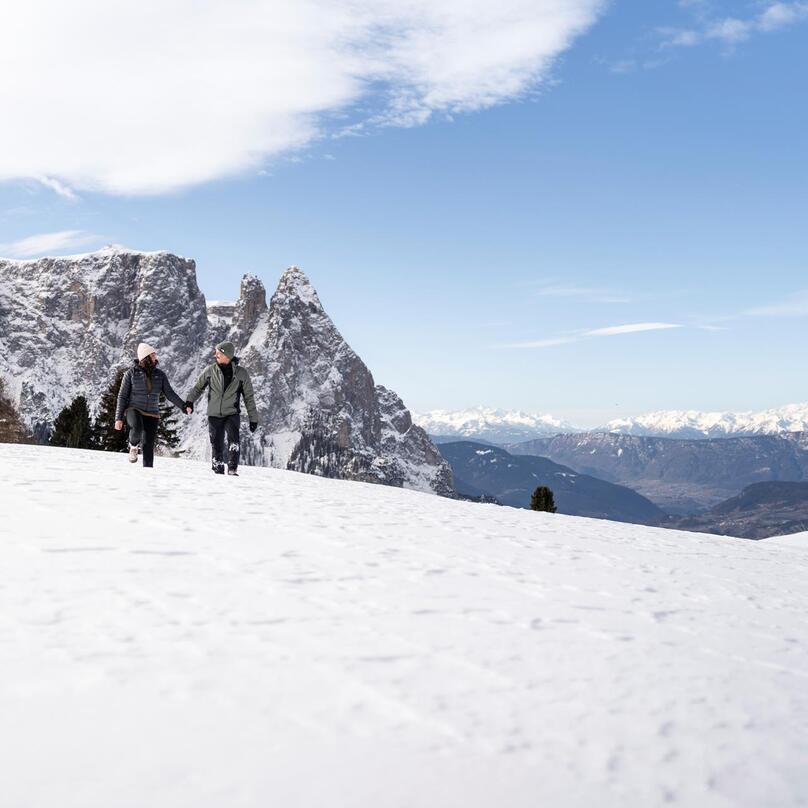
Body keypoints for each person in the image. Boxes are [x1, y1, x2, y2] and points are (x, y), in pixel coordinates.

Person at [185, 340, 259, 476]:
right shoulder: (210, 370)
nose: (215, 355)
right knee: (216, 444)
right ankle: (217, 470)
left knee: (234, 441)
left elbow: (249, 397)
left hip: (232, 412)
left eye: (218, 353)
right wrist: (189, 402)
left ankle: (232, 469)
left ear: (228, 355)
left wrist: (253, 419)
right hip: (214, 414)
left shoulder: (241, 373)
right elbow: (197, 388)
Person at [114, 343, 191, 467]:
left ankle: (148, 471)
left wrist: (183, 406)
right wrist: (118, 418)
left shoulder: (160, 375)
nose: (156, 356)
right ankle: (133, 446)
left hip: (152, 412)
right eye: (153, 354)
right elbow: (122, 396)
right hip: (134, 408)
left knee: (148, 444)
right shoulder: (131, 373)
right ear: (146, 356)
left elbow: (169, 393)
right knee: (137, 428)